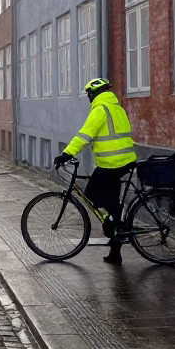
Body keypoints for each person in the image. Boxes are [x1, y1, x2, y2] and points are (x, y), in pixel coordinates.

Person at [53, 78, 137, 264]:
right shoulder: (117, 108)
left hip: (112, 163)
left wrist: (66, 154)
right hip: (125, 160)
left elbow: (84, 136)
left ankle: (112, 219)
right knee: (112, 201)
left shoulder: (100, 110)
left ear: (93, 94)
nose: (89, 98)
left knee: (91, 193)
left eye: (89, 95)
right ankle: (115, 251)